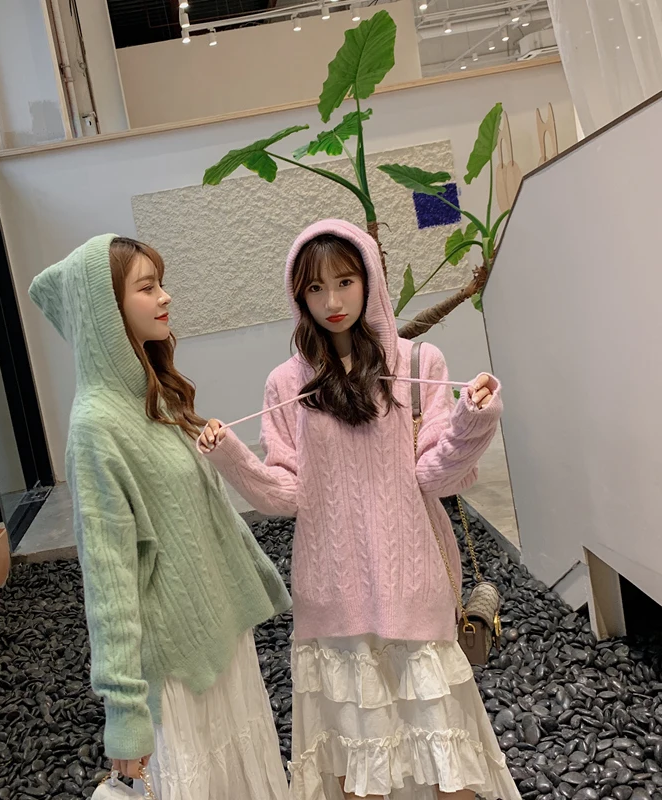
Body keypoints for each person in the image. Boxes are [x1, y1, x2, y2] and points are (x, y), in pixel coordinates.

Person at [198, 219, 521, 800]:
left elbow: (436, 476)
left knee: (449, 762)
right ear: (298, 296)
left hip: (413, 585)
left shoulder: (417, 362)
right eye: (315, 288)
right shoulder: (287, 383)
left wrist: (473, 421)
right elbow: (285, 495)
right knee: (358, 771)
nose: (332, 302)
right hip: (334, 600)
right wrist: (230, 456)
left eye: (344, 281)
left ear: (370, 277)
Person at [30, 234, 291, 800]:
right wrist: (124, 711)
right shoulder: (96, 427)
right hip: (176, 667)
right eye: (146, 287)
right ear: (107, 312)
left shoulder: (155, 398)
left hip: (220, 635)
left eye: (160, 283)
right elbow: (109, 582)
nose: (165, 297)